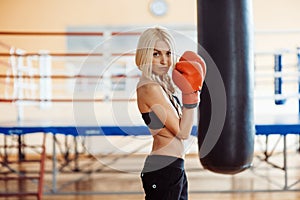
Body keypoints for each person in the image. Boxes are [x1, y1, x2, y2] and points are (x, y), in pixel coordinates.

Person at [135, 26, 206, 200]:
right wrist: (190, 96)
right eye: (156, 54)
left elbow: (182, 125)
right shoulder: (149, 88)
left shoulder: (159, 86)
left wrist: (192, 93)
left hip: (172, 166)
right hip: (163, 168)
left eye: (168, 54)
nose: (164, 60)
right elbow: (183, 133)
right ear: (144, 55)